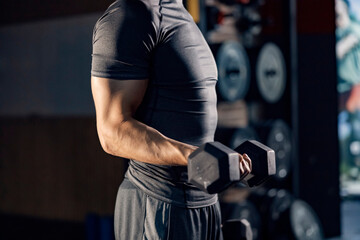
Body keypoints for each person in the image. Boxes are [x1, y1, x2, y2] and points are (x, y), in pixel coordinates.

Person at [90, 0, 251, 239]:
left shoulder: (179, 12)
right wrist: (194, 157)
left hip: (204, 201)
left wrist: (218, 160)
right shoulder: (130, 14)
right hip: (159, 201)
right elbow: (112, 132)